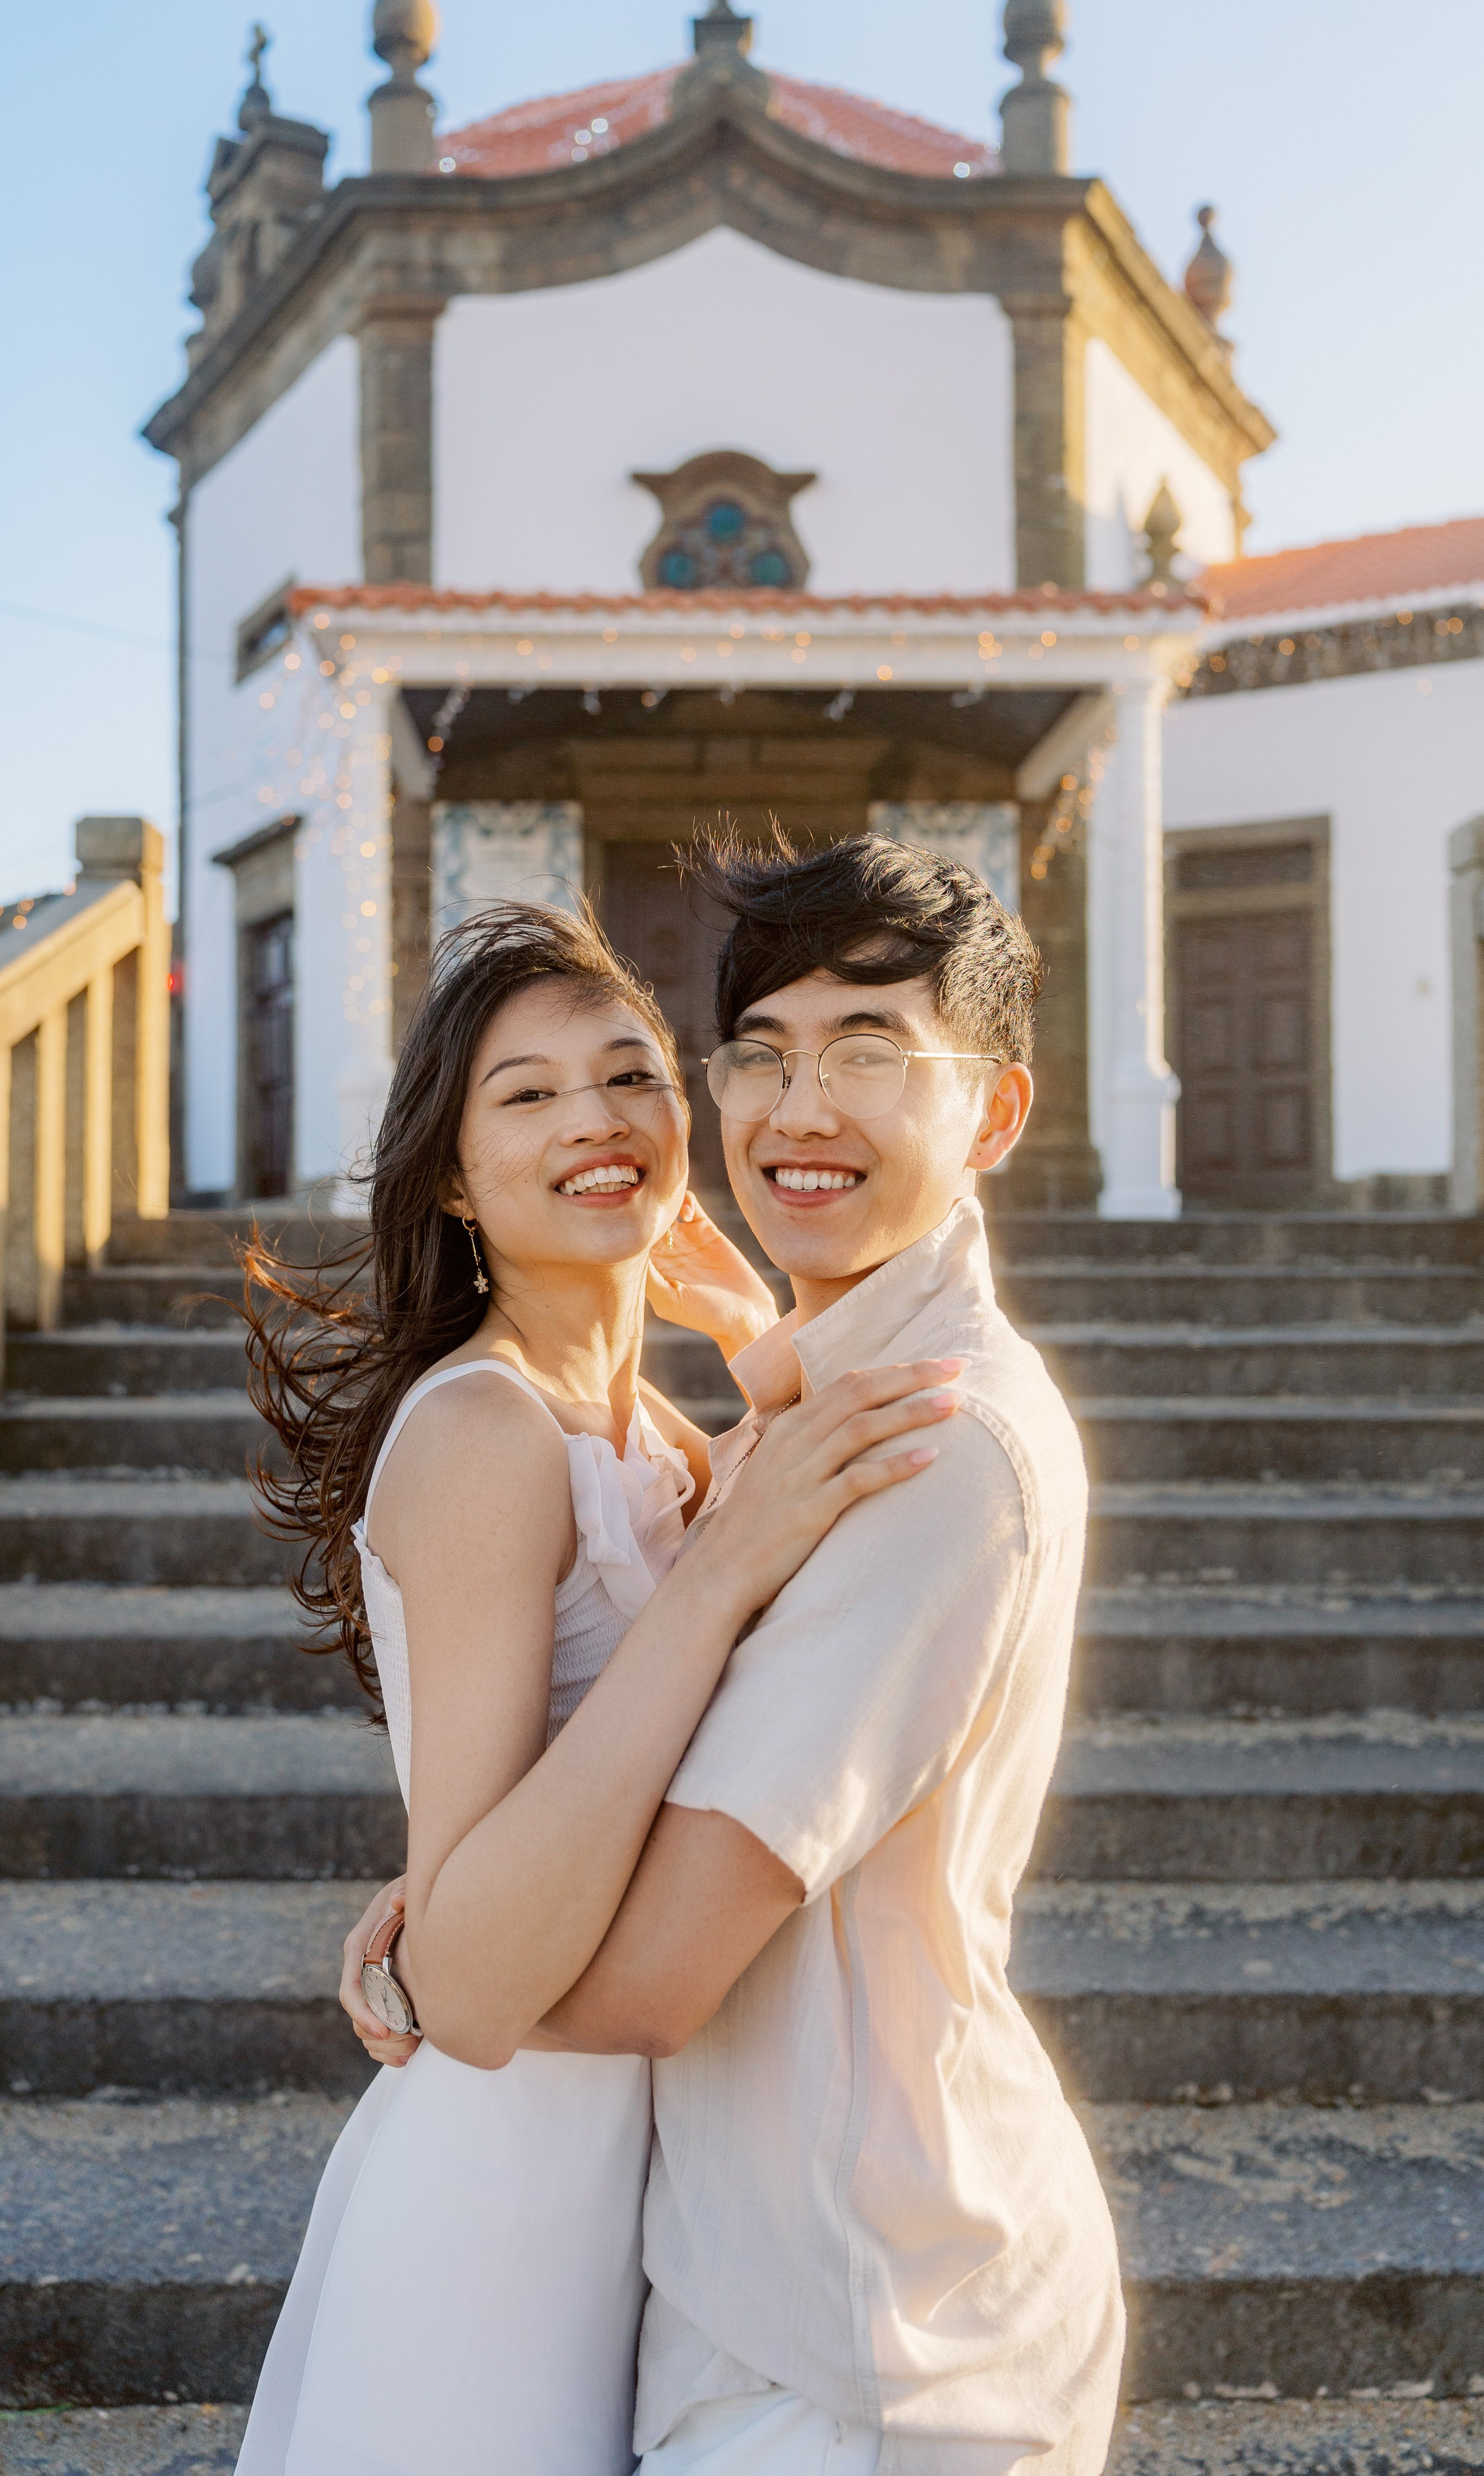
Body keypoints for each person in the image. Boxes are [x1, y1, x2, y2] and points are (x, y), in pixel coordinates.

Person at [365, 835, 1125, 2473]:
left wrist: (438, 1944)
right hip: (727, 2273)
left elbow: (624, 1980)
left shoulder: (919, 1445)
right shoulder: (788, 1419)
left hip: (863, 2342)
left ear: (992, 1113)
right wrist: (460, 1865)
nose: (799, 1111)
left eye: (869, 1056)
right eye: (763, 1058)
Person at [232, 898, 961, 2476]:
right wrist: (448, 1894)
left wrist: (747, 1330)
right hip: (501, 2197)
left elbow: (593, 1784)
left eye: (630, 1076)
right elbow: (478, 1992)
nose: (597, 1121)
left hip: (646, 2175)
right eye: (528, 1095)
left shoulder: (656, 1444)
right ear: (448, 1177)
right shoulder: (487, 1435)